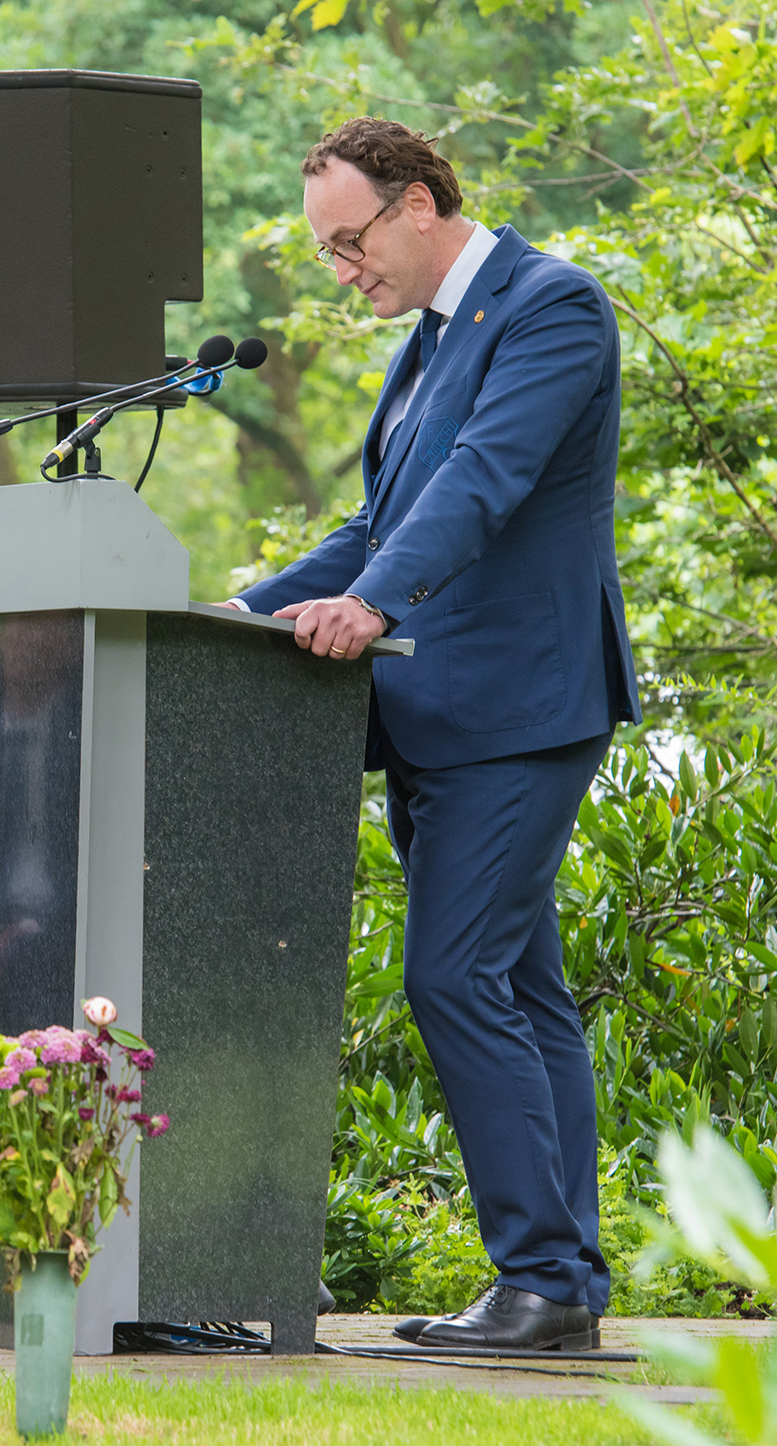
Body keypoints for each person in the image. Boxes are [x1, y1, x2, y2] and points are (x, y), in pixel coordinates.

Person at [229, 119, 640, 1350]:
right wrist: (221, 615)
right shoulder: (425, 344)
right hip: (439, 717)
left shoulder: (549, 308)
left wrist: (369, 608)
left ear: (418, 205)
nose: (342, 269)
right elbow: (379, 523)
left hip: (518, 709)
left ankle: (544, 1280)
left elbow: (482, 481)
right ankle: (558, 1278)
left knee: (453, 974)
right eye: (325, 252)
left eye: (350, 242)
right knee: (519, 984)